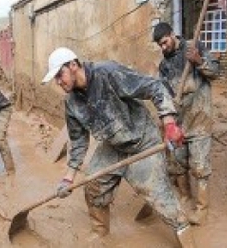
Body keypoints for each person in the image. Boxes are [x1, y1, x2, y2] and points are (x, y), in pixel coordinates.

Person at [42, 47, 196, 247]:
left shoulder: (108, 73)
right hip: (113, 147)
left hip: (142, 142)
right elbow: (79, 141)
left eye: (59, 75)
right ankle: (101, 233)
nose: (58, 82)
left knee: (160, 198)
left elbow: (154, 87)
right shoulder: (72, 102)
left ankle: (187, 238)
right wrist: (68, 178)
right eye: (55, 78)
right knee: (93, 186)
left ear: (73, 66)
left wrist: (169, 123)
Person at [152, 22, 220, 226]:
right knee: (177, 163)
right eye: (160, 45)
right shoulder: (164, 65)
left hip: (199, 117)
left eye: (164, 42)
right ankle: (184, 196)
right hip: (179, 122)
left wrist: (199, 61)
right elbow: (162, 93)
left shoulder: (194, 47)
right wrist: (167, 121)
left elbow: (216, 72)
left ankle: (201, 209)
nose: (163, 48)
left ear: (173, 35)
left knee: (200, 167)